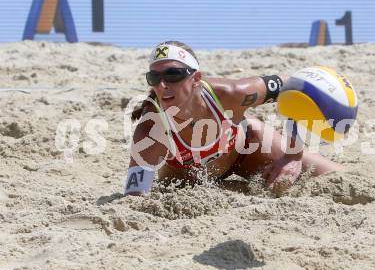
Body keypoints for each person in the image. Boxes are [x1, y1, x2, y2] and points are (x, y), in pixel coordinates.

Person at [125, 41, 342, 195]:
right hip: (185, 178)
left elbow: (299, 87)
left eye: (173, 75)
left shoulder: (232, 93)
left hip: (247, 150)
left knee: (339, 180)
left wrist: (293, 156)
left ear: (196, 79)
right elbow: (133, 201)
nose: (163, 85)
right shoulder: (150, 130)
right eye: (154, 77)